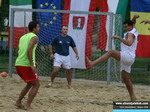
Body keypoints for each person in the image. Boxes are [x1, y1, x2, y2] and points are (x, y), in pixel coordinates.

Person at [86, 15, 139, 101]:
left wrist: (119, 38)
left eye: (126, 27)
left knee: (111, 52)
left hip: (128, 56)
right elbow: (133, 22)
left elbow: (129, 43)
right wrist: (134, 17)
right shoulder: (134, 29)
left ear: (130, 26)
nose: (125, 28)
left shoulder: (131, 33)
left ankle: (93, 63)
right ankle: (132, 96)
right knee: (126, 78)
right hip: (129, 57)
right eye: (124, 27)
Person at [15, 21, 40, 110]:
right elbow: (29, 50)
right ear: (33, 28)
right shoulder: (34, 37)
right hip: (26, 65)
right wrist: (31, 64)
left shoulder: (22, 37)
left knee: (30, 83)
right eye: (38, 27)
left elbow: (18, 50)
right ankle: (28, 105)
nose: (39, 28)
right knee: (36, 84)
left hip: (18, 63)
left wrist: (33, 61)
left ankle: (18, 102)